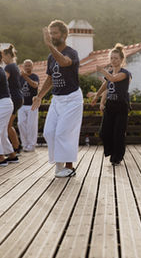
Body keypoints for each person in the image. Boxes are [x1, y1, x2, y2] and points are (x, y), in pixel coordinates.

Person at [31, 20, 83, 178]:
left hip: (72, 98)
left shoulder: (71, 52)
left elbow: (64, 62)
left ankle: (69, 167)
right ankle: (60, 167)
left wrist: (49, 45)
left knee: (63, 133)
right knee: (49, 132)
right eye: (50, 33)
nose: (52, 36)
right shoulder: (50, 56)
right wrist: (39, 96)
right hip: (57, 99)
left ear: (64, 35)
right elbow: (50, 79)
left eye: (55, 33)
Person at [92, 44, 132, 166]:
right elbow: (106, 86)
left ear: (121, 60)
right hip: (110, 105)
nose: (113, 60)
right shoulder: (109, 73)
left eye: (116, 58)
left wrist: (102, 70)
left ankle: (117, 157)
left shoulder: (125, 73)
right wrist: (97, 96)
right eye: (112, 58)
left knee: (118, 133)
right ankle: (110, 151)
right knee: (104, 132)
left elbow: (113, 79)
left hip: (121, 105)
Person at [2, 45, 24, 158]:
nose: (2, 59)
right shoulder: (14, 66)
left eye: (2, 57)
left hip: (14, 98)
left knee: (7, 125)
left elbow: (2, 80)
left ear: (8, 55)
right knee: (9, 125)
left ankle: (15, 148)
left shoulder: (9, 67)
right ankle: (16, 147)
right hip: (18, 98)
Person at [18, 59, 39, 152]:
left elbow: (35, 85)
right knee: (21, 123)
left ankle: (32, 145)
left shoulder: (35, 76)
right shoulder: (19, 77)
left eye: (29, 65)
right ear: (23, 67)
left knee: (32, 125)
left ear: (32, 67)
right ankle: (25, 144)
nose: (27, 67)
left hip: (32, 105)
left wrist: (25, 77)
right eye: (26, 65)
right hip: (21, 105)